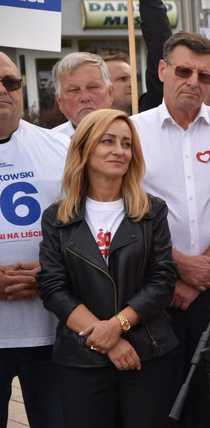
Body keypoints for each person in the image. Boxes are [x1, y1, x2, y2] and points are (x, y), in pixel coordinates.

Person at [130, 32, 210, 428]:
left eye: (205, 76)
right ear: (162, 70)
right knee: (158, 395)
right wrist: (178, 265)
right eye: (184, 71)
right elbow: (125, 211)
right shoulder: (131, 130)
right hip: (152, 280)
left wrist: (201, 273)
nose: (193, 81)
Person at [37, 109, 178, 428]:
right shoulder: (57, 217)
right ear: (85, 148)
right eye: (108, 141)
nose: (119, 151)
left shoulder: (151, 211)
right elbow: (53, 287)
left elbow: (162, 281)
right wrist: (108, 338)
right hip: (81, 359)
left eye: (126, 144)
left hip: (147, 353)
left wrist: (117, 326)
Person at [0, 52, 67, 428]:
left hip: (49, 329)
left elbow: (86, 231)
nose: (3, 90)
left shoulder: (60, 149)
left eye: (10, 82)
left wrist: (50, 272)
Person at [51, 52, 114, 137]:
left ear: (110, 93)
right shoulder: (47, 144)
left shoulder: (134, 135)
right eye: (73, 90)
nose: (85, 98)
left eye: (92, 87)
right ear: (60, 102)